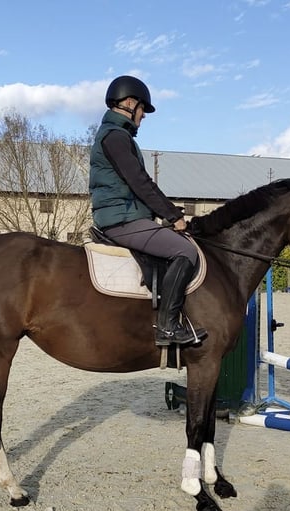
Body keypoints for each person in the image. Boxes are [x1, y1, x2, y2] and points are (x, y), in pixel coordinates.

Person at [88, 75, 206, 347]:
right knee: (185, 250)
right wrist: (173, 216)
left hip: (124, 216)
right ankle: (167, 328)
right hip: (122, 220)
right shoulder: (115, 137)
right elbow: (140, 182)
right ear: (129, 103)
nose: (143, 116)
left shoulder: (115, 135)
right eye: (142, 109)